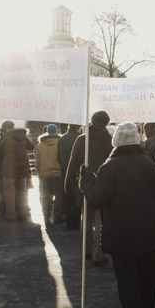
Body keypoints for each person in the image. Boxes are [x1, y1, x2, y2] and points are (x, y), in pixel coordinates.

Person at [81, 122, 155, 308]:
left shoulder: (111, 166)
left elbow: (98, 197)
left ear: (116, 140)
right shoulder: (148, 162)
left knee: (127, 278)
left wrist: (86, 182)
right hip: (147, 227)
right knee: (146, 274)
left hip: (122, 231)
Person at [65, 111, 113, 266]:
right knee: (100, 220)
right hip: (103, 184)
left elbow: (73, 164)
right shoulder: (110, 140)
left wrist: (67, 183)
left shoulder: (82, 139)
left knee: (85, 218)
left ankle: (86, 251)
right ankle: (98, 254)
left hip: (85, 183)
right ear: (107, 122)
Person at [0, 121, 34, 222]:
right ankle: (22, 214)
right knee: (21, 193)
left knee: (9, 193)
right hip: (22, 170)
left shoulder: (6, 138)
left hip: (9, 170)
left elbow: (0, 150)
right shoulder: (22, 136)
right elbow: (31, 146)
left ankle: (11, 215)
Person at [36, 124, 63, 226]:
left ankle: (46, 216)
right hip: (57, 173)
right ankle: (57, 217)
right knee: (58, 196)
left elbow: (37, 161)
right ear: (56, 132)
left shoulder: (40, 145)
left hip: (45, 174)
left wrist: (40, 172)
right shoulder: (60, 143)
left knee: (46, 195)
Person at [57, 124, 82, 229]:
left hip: (64, 170)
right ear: (78, 127)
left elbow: (58, 156)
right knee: (76, 196)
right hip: (76, 170)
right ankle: (75, 221)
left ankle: (68, 219)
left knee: (67, 194)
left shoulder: (61, 139)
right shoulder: (80, 139)